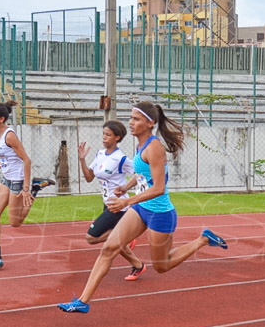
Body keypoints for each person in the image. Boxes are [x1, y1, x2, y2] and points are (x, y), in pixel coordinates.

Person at [57, 100, 228, 313]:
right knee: (109, 248)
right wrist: (125, 187)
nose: (131, 122)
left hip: (160, 213)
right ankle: (82, 301)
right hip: (141, 209)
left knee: (162, 265)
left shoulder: (154, 147)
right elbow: (141, 174)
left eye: (136, 119)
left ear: (150, 123)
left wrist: (126, 201)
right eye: (130, 118)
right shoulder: (139, 144)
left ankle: (203, 239)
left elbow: (158, 187)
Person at [0, 100, 54, 270]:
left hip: (18, 180)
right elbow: (6, 158)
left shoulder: (10, 135)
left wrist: (25, 189)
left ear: (1, 119)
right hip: (6, 179)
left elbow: (26, 160)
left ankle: (35, 188)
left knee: (15, 223)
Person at [78, 120, 146, 281]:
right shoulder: (100, 154)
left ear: (117, 137)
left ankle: (125, 235)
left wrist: (125, 187)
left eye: (108, 135)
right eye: (103, 134)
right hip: (106, 203)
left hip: (118, 206)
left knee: (91, 237)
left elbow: (139, 174)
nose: (104, 137)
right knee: (115, 242)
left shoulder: (120, 159)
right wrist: (82, 160)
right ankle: (138, 265)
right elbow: (89, 177)